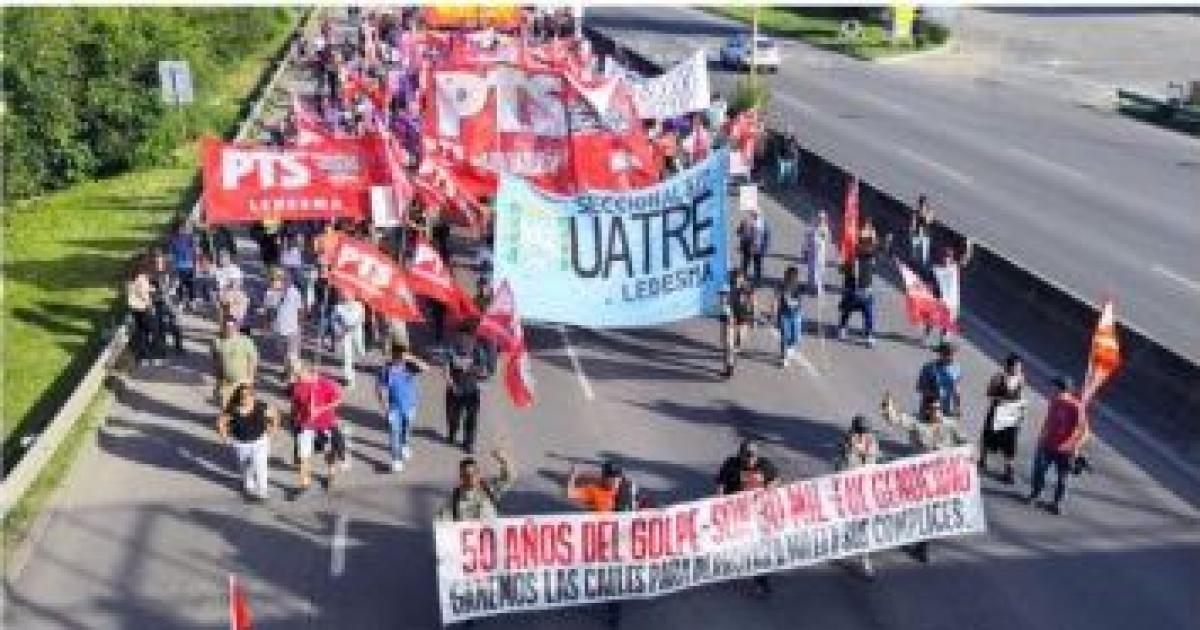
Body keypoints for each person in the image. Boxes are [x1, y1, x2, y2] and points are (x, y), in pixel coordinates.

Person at [881, 392, 967, 563]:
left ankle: (922, 546)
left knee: (931, 512)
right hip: (918, 476)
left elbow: (964, 442)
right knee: (914, 508)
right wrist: (888, 407)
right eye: (932, 409)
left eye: (938, 408)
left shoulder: (949, 424)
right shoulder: (917, 423)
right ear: (926, 410)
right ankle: (909, 533)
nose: (936, 412)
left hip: (940, 477)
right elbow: (897, 419)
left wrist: (969, 455)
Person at [567, 461, 641, 627]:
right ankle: (604, 595)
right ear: (604, 478)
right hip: (601, 544)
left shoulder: (628, 489)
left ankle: (614, 611)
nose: (615, 481)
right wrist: (573, 475)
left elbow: (637, 507)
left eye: (617, 477)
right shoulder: (594, 491)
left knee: (615, 578)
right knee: (603, 576)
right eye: (611, 478)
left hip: (621, 543)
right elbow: (570, 494)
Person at [716, 440, 779, 597]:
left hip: (756, 515)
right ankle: (733, 566)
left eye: (753, 456)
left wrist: (770, 487)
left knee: (759, 548)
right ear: (741, 455)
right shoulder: (731, 464)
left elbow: (775, 479)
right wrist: (720, 502)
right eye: (748, 456)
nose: (751, 459)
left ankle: (761, 582)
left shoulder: (765, 465)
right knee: (738, 546)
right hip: (736, 513)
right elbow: (721, 484)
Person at [1024, 377, 1087, 515]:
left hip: (1066, 449)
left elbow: (1084, 431)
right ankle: (1035, 495)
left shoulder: (1076, 407)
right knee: (1039, 471)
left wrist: (1076, 448)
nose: (1052, 389)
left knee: (1062, 478)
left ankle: (1057, 503)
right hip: (1048, 444)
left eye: (1055, 387)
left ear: (1061, 388)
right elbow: (1049, 420)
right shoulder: (1054, 401)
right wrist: (1041, 436)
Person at [216, 384, 281, 501]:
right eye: (243, 396)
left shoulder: (261, 407)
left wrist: (273, 430)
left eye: (249, 395)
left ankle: (262, 491)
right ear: (238, 397)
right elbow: (221, 422)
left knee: (260, 465)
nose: (246, 398)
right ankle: (248, 486)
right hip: (240, 443)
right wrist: (225, 437)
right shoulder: (233, 410)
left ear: (253, 396)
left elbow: (275, 415)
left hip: (259, 442)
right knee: (245, 467)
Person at [291, 361, 345, 496]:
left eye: (299, 374)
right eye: (295, 374)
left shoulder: (325, 383)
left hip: (324, 424)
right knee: (304, 454)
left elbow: (338, 400)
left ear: (307, 372)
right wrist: (295, 419)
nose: (296, 377)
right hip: (305, 425)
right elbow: (296, 404)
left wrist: (321, 409)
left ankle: (330, 474)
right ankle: (304, 483)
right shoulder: (297, 386)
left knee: (328, 452)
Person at [836, 415, 880, 578]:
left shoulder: (872, 441)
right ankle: (844, 542)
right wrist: (851, 448)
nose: (862, 435)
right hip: (850, 489)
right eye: (859, 432)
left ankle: (865, 559)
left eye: (864, 432)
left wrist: (863, 450)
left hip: (866, 488)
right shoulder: (845, 443)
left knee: (866, 523)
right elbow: (842, 467)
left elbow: (873, 462)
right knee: (849, 521)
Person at [377, 343, 430, 472]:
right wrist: (386, 409)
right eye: (397, 356)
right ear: (393, 356)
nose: (400, 359)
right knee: (394, 433)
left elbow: (426, 368)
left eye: (402, 356)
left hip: (410, 406)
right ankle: (396, 459)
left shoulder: (409, 366)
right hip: (394, 408)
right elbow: (380, 390)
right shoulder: (386, 370)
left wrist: (412, 358)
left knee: (407, 428)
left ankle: (405, 445)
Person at [979, 354, 1026, 484]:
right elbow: (989, 394)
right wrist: (1004, 400)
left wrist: (1020, 408)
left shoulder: (1021, 379)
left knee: (1010, 443)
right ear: (1009, 367)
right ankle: (982, 461)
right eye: (1017, 366)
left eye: (1020, 367)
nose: (1019, 369)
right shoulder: (998, 378)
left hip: (1012, 414)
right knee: (988, 437)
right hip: (997, 412)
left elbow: (1020, 396)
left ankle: (1008, 470)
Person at [444, 325, 489, 453]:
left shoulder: (478, 351)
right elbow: (446, 368)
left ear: (472, 338)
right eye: (460, 337)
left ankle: (468, 443)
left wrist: (470, 368)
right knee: (453, 416)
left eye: (466, 337)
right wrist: (451, 383)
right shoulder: (451, 350)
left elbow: (484, 372)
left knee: (471, 418)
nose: (463, 340)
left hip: (471, 390)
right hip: (454, 389)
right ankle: (452, 432)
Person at [435, 449, 514, 521]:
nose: (470, 478)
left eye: (473, 474)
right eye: (466, 475)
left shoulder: (489, 490)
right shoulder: (455, 499)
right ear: (461, 477)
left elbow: (509, 478)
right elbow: (441, 520)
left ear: (479, 474)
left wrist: (502, 460)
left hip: (491, 534)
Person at [836, 223, 879, 346]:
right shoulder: (857, 253)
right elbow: (843, 269)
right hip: (854, 288)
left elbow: (875, 249)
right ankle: (842, 328)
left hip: (866, 289)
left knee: (868, 313)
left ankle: (869, 334)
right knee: (848, 309)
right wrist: (843, 264)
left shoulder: (870, 253)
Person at [211, 316, 258, 409]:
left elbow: (253, 360)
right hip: (226, 381)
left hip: (242, 381)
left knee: (242, 406)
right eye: (227, 327)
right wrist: (218, 379)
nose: (229, 329)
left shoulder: (246, 341)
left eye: (232, 327)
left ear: (236, 327)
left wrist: (251, 379)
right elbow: (216, 361)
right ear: (222, 327)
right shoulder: (217, 342)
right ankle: (226, 421)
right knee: (224, 406)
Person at [719, 270, 757, 379]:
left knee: (740, 339)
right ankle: (729, 367)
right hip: (728, 318)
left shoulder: (747, 288)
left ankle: (737, 347)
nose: (737, 280)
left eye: (739, 278)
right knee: (727, 343)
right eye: (735, 278)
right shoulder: (726, 287)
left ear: (743, 279)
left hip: (743, 316)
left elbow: (753, 301)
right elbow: (723, 302)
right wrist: (729, 314)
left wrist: (753, 318)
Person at [269, 272, 305, 381]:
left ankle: (291, 377)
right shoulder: (272, 293)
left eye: (284, 279)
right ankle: (287, 369)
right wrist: (268, 322)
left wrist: (300, 325)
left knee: (292, 355)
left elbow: (301, 310)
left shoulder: (295, 293)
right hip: (278, 328)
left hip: (292, 329)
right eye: (280, 279)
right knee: (282, 352)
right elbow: (270, 309)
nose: (281, 282)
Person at [150, 250, 184, 357]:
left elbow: (177, 283)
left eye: (160, 261)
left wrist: (168, 290)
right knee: (160, 326)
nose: (158, 264)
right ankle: (161, 349)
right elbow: (149, 289)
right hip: (158, 302)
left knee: (175, 325)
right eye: (156, 262)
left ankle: (178, 346)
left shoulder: (171, 270)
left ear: (163, 260)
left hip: (172, 301)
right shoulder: (152, 274)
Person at [916, 341, 963, 418]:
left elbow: (956, 389)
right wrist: (934, 393)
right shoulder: (929, 368)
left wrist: (957, 407)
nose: (951, 357)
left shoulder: (956, 369)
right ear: (940, 354)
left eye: (952, 354)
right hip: (929, 408)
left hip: (945, 410)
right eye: (947, 354)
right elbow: (919, 387)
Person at [126, 256, 157, 367]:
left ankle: (141, 355)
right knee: (152, 330)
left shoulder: (131, 277)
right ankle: (148, 355)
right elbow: (143, 293)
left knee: (140, 331)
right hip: (143, 308)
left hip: (134, 307)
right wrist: (150, 305)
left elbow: (136, 290)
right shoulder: (141, 278)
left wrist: (150, 288)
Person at [332, 292, 367, 387]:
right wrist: (339, 330)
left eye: (349, 294)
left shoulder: (359, 305)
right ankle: (349, 378)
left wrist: (357, 323)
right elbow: (334, 320)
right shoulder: (338, 307)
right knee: (347, 355)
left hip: (356, 331)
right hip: (344, 333)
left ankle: (361, 359)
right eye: (344, 294)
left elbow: (363, 318)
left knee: (359, 348)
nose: (347, 296)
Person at [773, 266, 805, 368]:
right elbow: (776, 298)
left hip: (795, 315)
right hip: (784, 314)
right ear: (786, 275)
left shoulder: (798, 287)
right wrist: (774, 310)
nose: (792, 278)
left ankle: (791, 347)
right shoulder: (781, 286)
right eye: (790, 276)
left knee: (795, 336)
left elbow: (800, 300)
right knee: (784, 336)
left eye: (794, 276)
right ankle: (784, 357)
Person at [736, 208, 770, 286]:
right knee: (745, 264)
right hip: (747, 247)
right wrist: (742, 231)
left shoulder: (763, 223)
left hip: (758, 247)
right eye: (754, 214)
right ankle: (742, 280)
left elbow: (766, 235)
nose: (755, 216)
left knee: (757, 265)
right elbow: (739, 232)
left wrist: (765, 247)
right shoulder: (746, 221)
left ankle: (757, 281)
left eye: (756, 214)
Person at [168, 222, 198, 309]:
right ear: (178, 229)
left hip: (189, 265)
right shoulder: (174, 239)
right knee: (180, 284)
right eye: (181, 228)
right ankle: (181, 301)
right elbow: (171, 252)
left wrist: (194, 260)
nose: (182, 230)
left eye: (183, 228)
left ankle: (192, 300)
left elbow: (194, 250)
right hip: (179, 265)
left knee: (190, 284)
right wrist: (172, 263)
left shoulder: (189, 238)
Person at [803, 210, 832, 299]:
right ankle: (811, 287)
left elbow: (828, 241)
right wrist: (805, 250)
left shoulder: (825, 229)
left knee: (819, 271)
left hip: (820, 254)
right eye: (819, 218)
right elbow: (806, 240)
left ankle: (818, 289)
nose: (821, 220)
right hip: (812, 253)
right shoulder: (811, 227)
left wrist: (823, 239)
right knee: (811, 271)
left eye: (822, 218)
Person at [909, 195, 933, 271]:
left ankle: (922, 207)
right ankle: (922, 208)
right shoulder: (916, 213)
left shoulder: (928, 213)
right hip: (918, 238)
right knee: (923, 225)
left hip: (921, 238)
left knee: (923, 225)